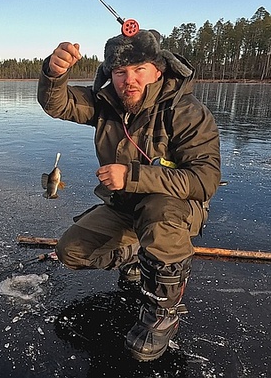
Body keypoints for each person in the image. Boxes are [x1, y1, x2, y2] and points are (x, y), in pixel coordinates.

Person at [37, 29, 221, 362]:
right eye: (120, 72)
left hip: (176, 210)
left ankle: (163, 312)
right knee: (70, 253)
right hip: (123, 207)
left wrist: (132, 175)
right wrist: (54, 74)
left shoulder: (187, 112)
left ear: (158, 69)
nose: (129, 80)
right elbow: (59, 104)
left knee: (159, 212)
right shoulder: (106, 103)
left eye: (139, 69)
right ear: (111, 75)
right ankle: (137, 255)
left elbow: (204, 179)